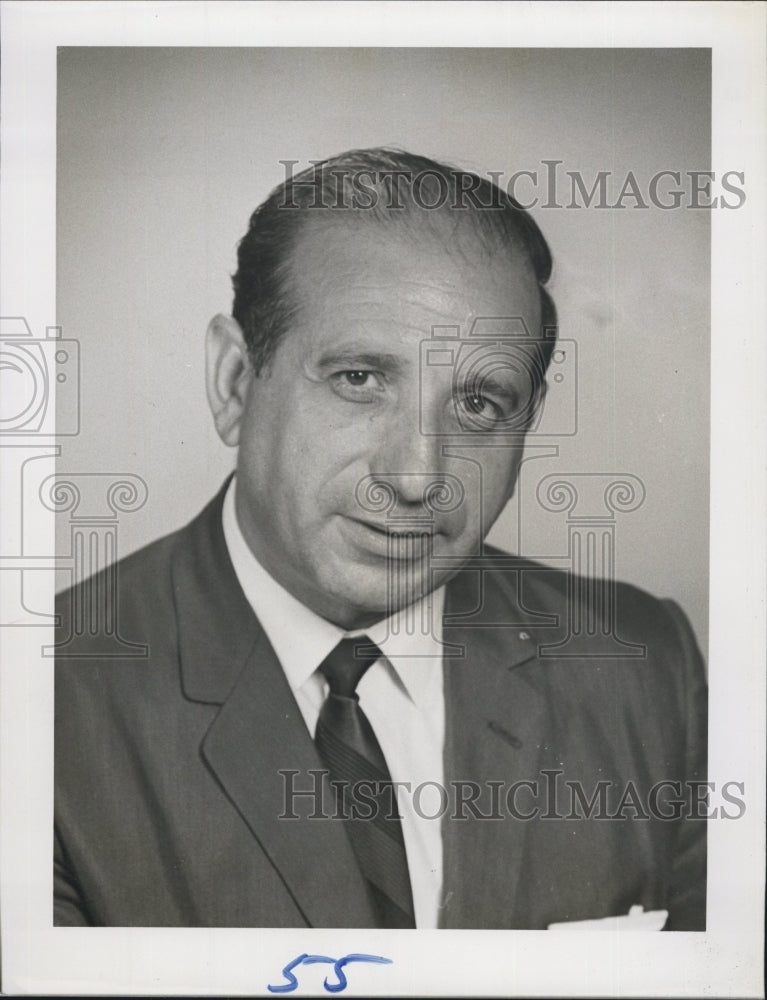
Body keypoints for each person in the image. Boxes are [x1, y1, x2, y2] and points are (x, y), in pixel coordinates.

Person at [54, 148, 707, 930]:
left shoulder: (643, 668)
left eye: (479, 404)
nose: (414, 476)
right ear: (234, 381)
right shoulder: (40, 709)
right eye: (359, 379)